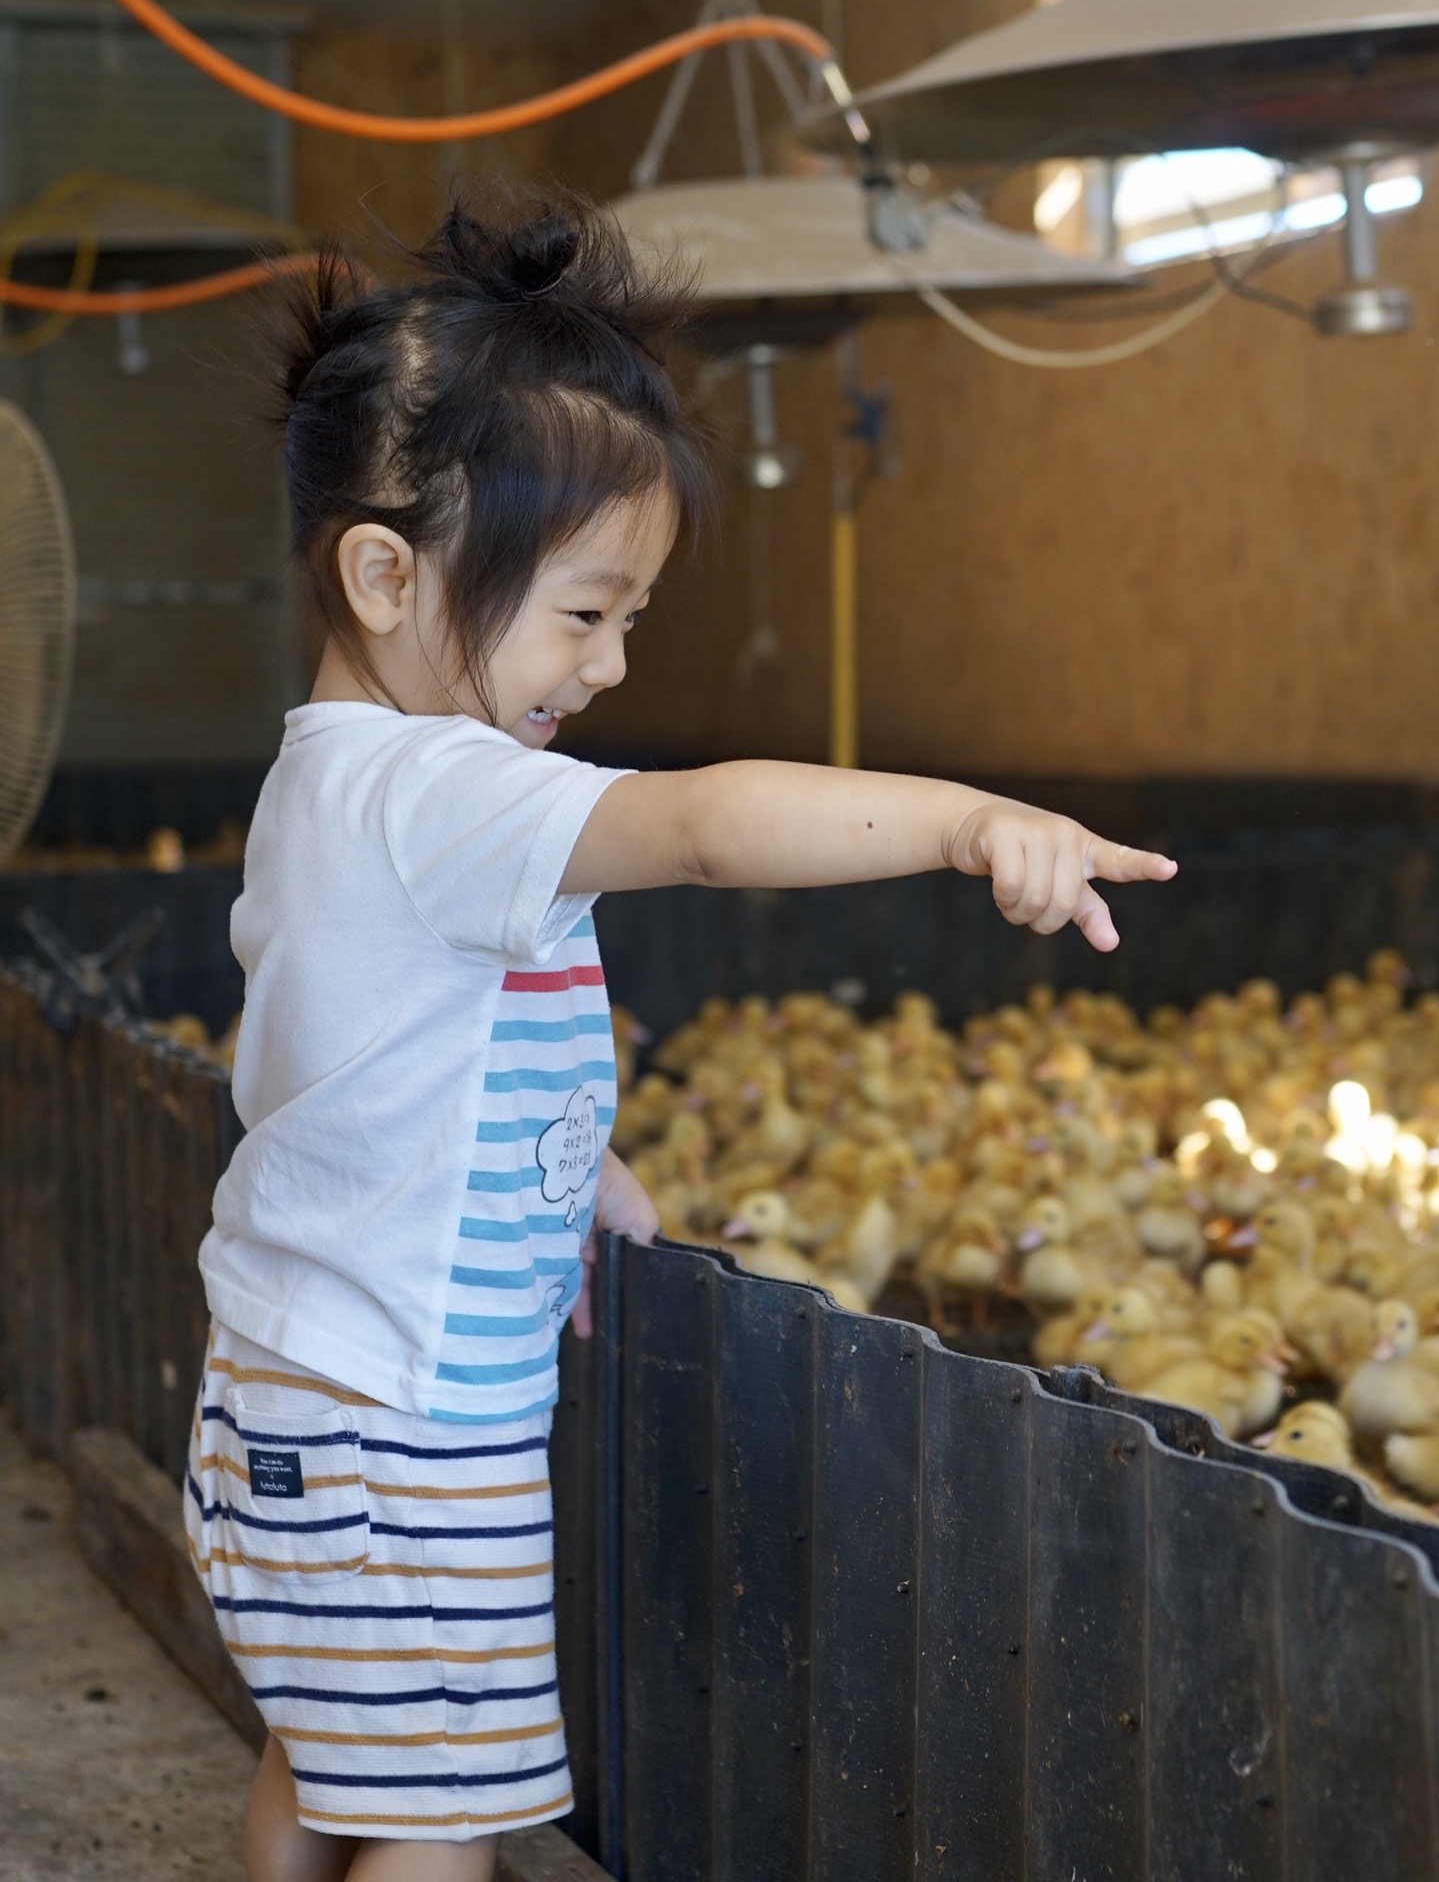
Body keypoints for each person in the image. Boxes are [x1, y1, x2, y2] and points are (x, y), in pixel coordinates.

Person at [183, 193, 1175, 1882]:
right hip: (403, 1434)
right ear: (384, 572)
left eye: (630, 615)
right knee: (449, 1831)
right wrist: (961, 820)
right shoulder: (438, 788)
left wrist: (582, 1169)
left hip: (307, 1406)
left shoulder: (337, 784)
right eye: (583, 612)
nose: (615, 661)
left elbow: (379, 1068)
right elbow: (710, 826)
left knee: (338, 1753)